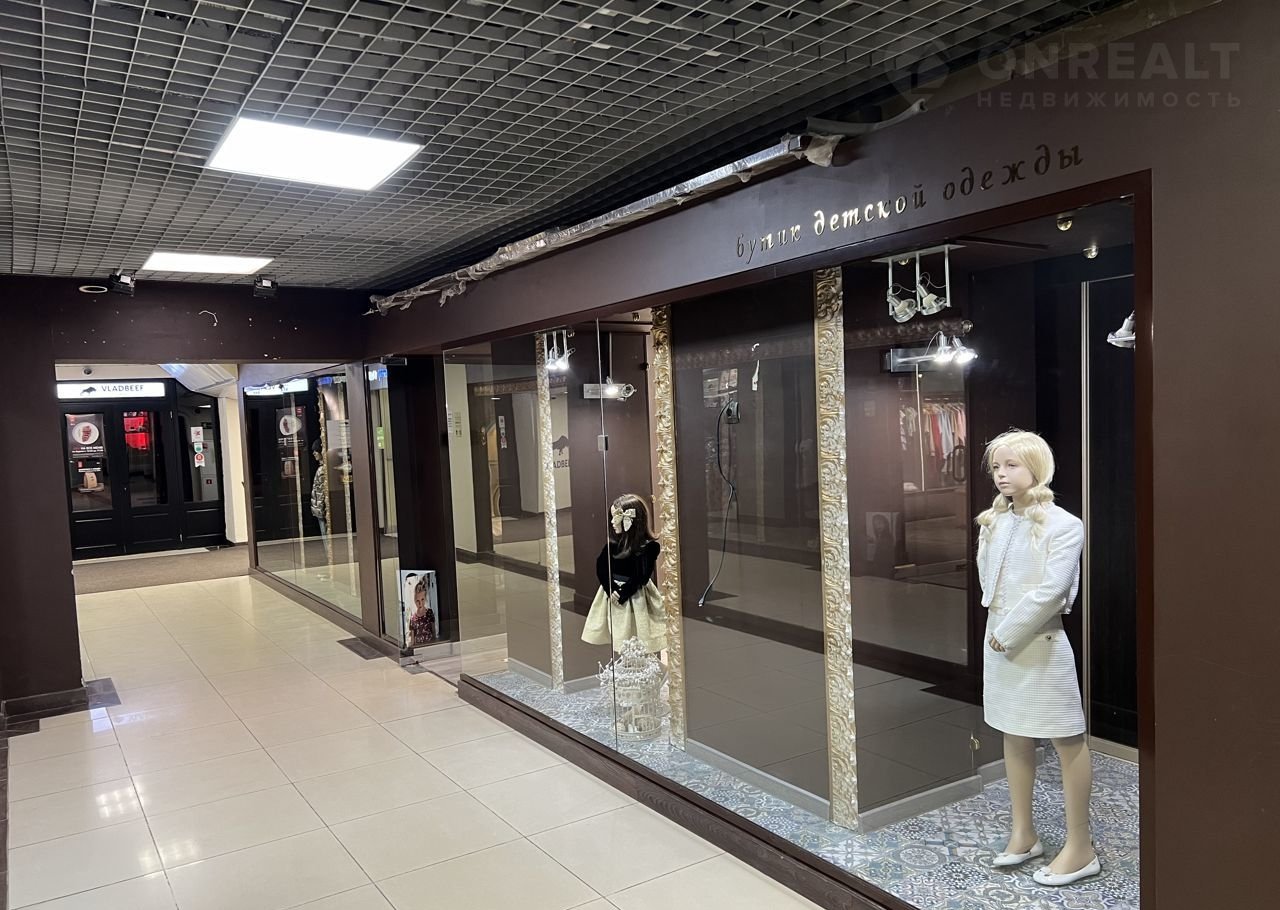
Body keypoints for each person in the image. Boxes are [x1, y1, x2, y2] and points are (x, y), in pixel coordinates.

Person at [976, 430, 1098, 887]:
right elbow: (989, 586)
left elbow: (1051, 592)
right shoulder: (994, 521)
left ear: (1036, 467)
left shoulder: (1064, 524)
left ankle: (1081, 846)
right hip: (1000, 646)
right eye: (996, 466)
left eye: (1011, 465)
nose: (1001, 474)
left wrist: (1006, 632)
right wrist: (999, 633)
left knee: (1067, 740)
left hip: (1041, 646)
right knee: (1013, 733)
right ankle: (1023, 833)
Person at [582, 493, 667, 653]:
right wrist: (611, 588)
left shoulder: (649, 548)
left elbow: (642, 575)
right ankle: (625, 659)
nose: (612, 522)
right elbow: (601, 568)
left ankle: (637, 659)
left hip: (636, 595)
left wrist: (625, 592)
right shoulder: (612, 546)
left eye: (616, 518)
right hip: (613, 593)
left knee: (638, 629)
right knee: (619, 629)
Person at [407, 575, 436, 645]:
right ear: (414, 601)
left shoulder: (429, 612)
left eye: (422, 599)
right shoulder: (413, 618)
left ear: (425, 598)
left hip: (429, 646)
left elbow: (433, 632)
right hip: (418, 647)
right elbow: (412, 639)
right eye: (417, 601)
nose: (420, 603)